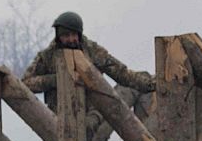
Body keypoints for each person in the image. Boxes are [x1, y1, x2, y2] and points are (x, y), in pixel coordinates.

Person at [21, 11, 156, 110]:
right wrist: (56, 79)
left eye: (74, 35)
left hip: (93, 113)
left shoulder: (92, 50)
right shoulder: (47, 56)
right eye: (66, 35)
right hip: (60, 116)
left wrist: (150, 85)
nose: (71, 39)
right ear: (58, 36)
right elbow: (26, 83)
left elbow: (121, 72)